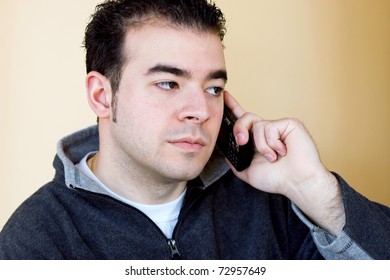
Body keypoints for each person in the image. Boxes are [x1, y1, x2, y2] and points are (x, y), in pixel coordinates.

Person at [0, 0, 389, 260]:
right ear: (102, 95)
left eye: (214, 88)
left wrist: (314, 191)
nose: (201, 111)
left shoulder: (273, 203)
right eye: (168, 83)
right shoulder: (37, 239)